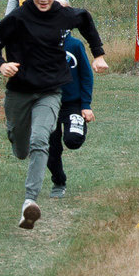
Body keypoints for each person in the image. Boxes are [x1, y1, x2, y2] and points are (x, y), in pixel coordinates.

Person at [0, 0, 105, 229]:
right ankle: (18, 139)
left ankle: (29, 202)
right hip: (19, 92)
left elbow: (85, 19)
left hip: (50, 92)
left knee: (41, 140)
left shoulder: (62, 14)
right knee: (20, 148)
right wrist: (1, 65)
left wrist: (98, 54)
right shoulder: (17, 18)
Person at [47, 30, 95, 198]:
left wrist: (86, 105)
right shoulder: (40, 43)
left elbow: (86, 75)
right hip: (48, 104)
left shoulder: (75, 45)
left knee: (73, 140)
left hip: (72, 103)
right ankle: (59, 182)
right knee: (51, 147)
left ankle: (76, 128)